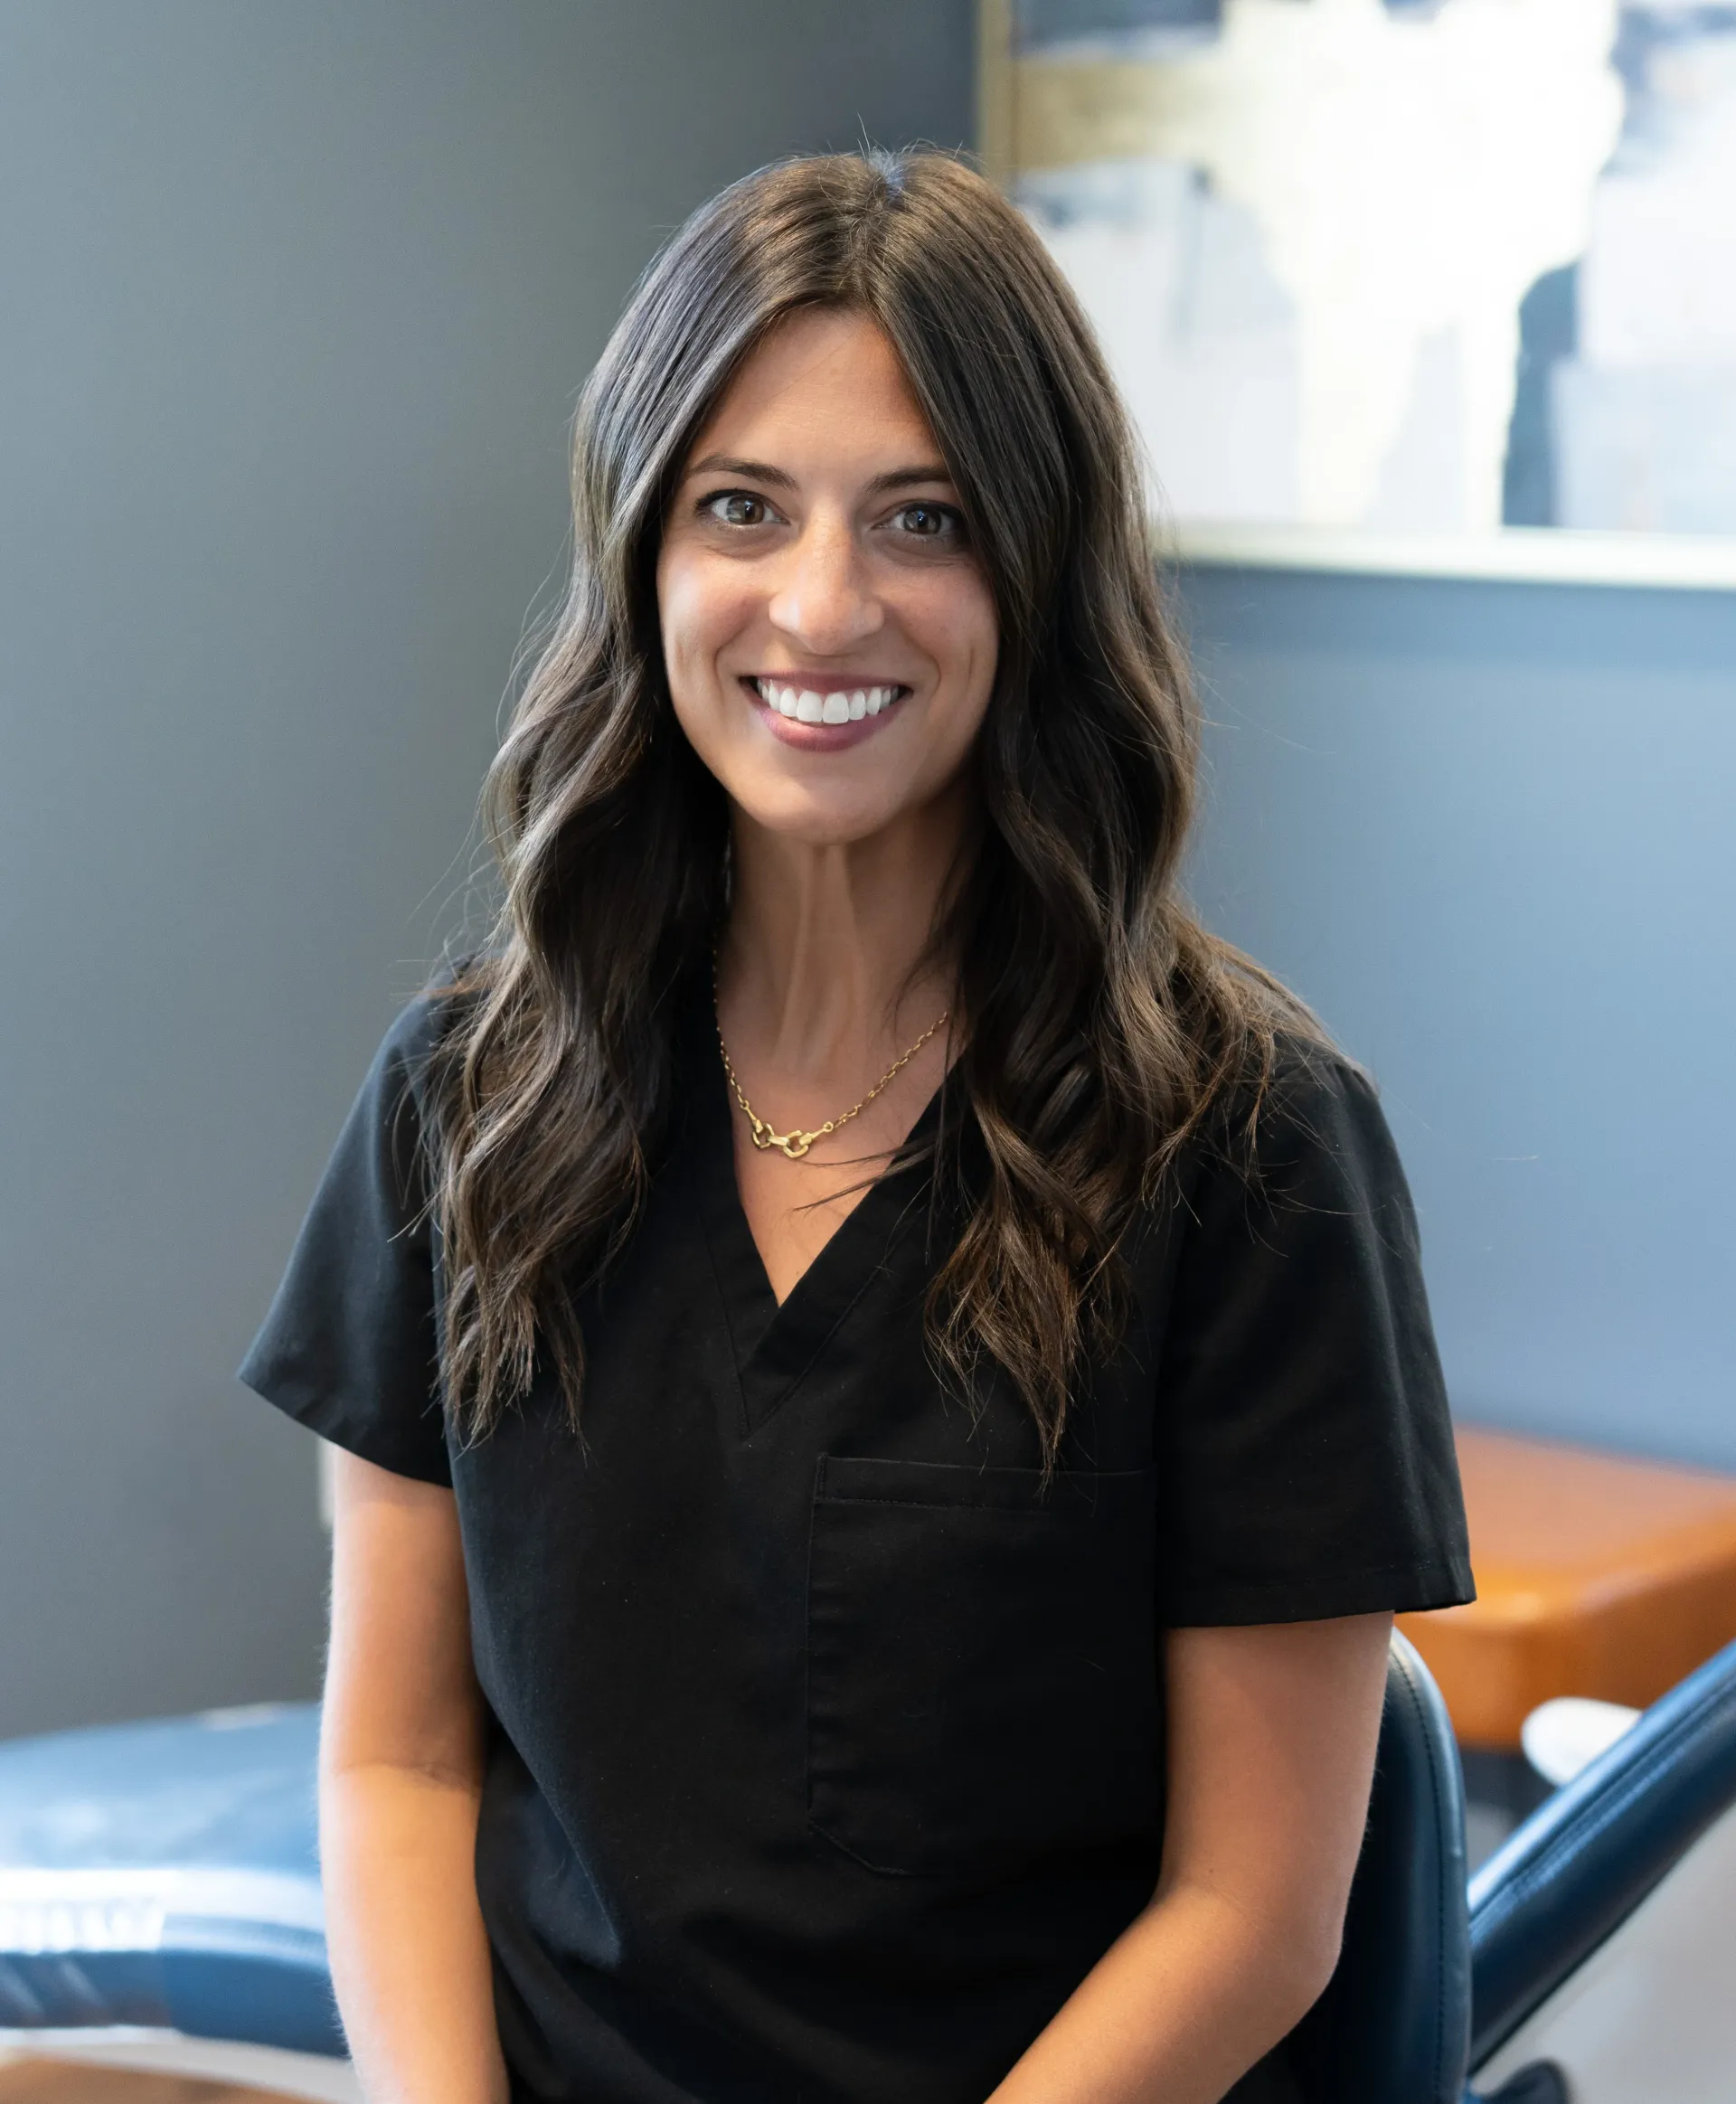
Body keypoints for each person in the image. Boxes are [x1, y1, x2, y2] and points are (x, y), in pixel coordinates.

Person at [241, 150, 1472, 2104]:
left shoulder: (1249, 1149)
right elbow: (396, 1755)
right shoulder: (462, 1111)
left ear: (1038, 572)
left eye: (926, 519)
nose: (825, 605)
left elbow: (1254, 1908)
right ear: (647, 550)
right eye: (745, 508)